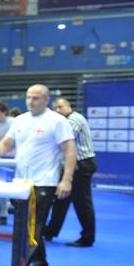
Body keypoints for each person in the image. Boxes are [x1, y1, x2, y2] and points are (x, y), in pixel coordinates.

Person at [0, 84, 75, 266]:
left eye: (36, 98)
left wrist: (66, 180)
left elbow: (69, 151)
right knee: (28, 226)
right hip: (20, 183)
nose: (31, 101)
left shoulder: (57, 121)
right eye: (29, 97)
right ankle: (41, 263)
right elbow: (6, 144)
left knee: (32, 228)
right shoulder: (20, 120)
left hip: (44, 183)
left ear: (46, 100)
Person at [45, 97, 96, 247]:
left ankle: (87, 238)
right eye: (55, 108)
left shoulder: (75, 119)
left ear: (69, 106)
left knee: (82, 203)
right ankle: (50, 232)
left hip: (81, 165)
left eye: (60, 107)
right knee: (60, 200)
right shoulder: (63, 122)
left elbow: (62, 139)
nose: (57, 110)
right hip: (72, 165)